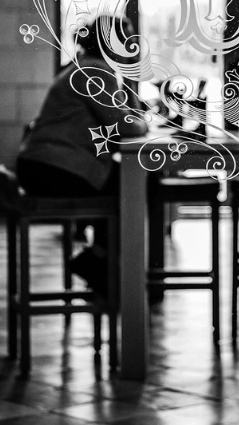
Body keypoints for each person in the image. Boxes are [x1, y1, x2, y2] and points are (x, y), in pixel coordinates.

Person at [17, 15, 147, 289]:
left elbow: (121, 116)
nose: (133, 45)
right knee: (136, 188)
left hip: (41, 166)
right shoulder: (95, 71)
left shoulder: (86, 67)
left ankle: (100, 263)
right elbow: (126, 125)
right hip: (54, 168)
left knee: (124, 184)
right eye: (127, 39)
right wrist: (143, 121)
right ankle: (108, 269)